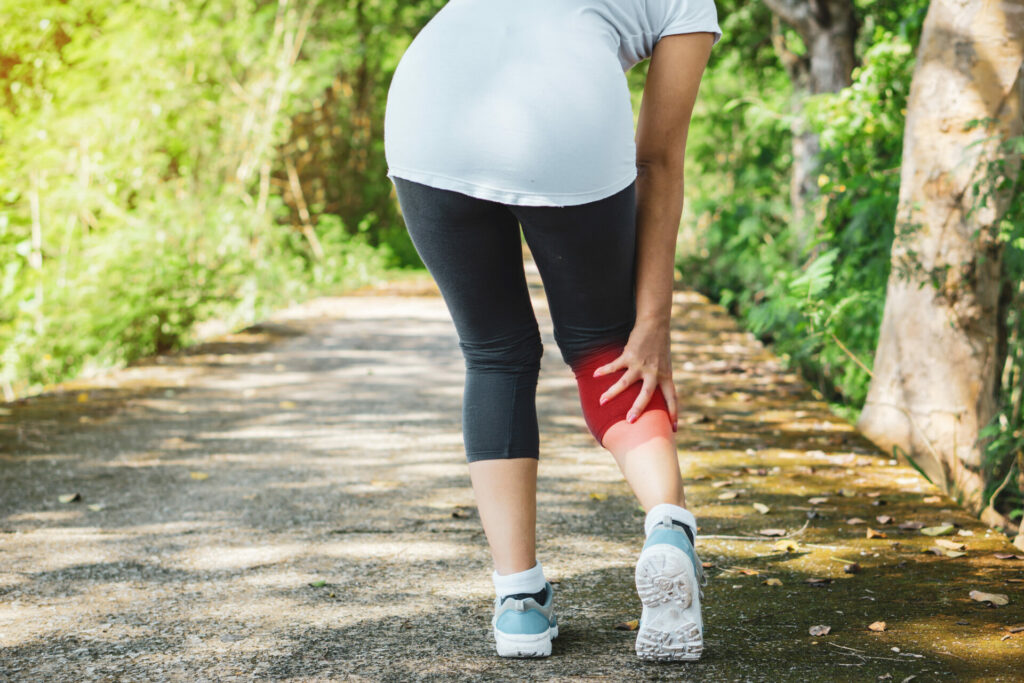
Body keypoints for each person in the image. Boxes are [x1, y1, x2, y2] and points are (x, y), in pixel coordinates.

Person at [383, 0, 721, 661]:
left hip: (429, 101)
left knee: (495, 354)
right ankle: (668, 530)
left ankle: (518, 603)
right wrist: (652, 322)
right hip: (564, 113)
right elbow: (658, 160)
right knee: (606, 347)